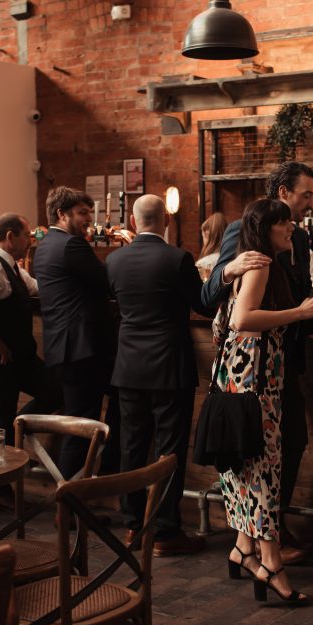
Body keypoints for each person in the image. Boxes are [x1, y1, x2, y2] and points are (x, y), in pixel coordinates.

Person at [201, 161, 313, 563]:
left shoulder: (297, 236)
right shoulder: (243, 229)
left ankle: (256, 537)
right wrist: (229, 269)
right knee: (254, 453)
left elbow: (300, 287)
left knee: (290, 444)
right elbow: (209, 298)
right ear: (284, 192)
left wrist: (311, 306)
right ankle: (264, 540)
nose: (311, 203)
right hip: (251, 366)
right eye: (306, 194)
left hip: (283, 360)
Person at [215, 199, 313, 604]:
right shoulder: (261, 264)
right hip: (254, 380)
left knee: (248, 468)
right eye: (284, 223)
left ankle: (243, 549)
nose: (291, 228)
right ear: (266, 228)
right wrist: (299, 312)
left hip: (247, 376)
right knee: (264, 472)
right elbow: (241, 319)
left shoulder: (262, 262)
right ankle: (271, 565)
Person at [106, 194, 207, 555]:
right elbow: (203, 303)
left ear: (133, 223)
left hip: (129, 367)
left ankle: (133, 527)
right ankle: (165, 532)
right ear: (165, 220)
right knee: (169, 449)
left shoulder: (114, 260)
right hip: (169, 365)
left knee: (131, 447)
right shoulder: (177, 258)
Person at [0, 212, 62, 506]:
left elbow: (35, 288)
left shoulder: (11, 266)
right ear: (10, 237)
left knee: (55, 390)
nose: (30, 240)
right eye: (26, 235)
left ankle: (20, 430)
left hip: (18, 359)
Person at [34, 187, 119, 479]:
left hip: (64, 349)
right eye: (83, 213)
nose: (89, 220)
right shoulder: (71, 245)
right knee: (81, 428)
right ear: (62, 213)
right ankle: (70, 498)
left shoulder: (44, 245)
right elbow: (108, 281)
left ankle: (90, 483)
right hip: (83, 350)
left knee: (80, 423)